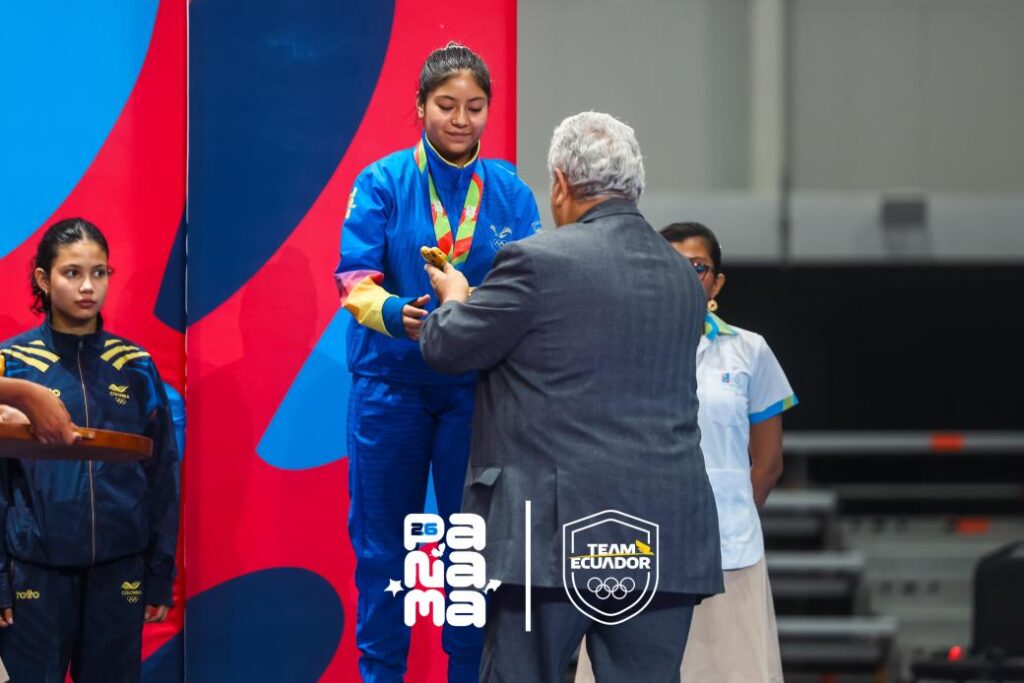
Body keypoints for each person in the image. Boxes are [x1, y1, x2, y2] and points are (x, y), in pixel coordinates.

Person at [420, 111, 723, 683]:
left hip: (550, 539)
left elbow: (447, 345)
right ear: (635, 185)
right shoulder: (683, 278)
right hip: (663, 533)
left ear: (560, 183)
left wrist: (455, 295)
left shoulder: (537, 261)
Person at [334, 42, 541, 682]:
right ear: (420, 106)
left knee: (469, 551)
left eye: (475, 107)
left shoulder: (511, 193)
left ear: (489, 111)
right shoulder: (381, 182)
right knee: (382, 550)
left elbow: (530, 289)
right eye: (447, 105)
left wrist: (476, 314)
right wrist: (398, 313)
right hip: (389, 388)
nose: (460, 119)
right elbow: (352, 280)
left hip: (474, 393)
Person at [576, 221, 797, 683]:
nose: (685, 275)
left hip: (729, 551)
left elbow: (769, 462)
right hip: (634, 549)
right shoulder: (615, 346)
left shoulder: (750, 350)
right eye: (672, 264)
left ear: (716, 282)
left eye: (698, 267)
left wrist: (730, 515)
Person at [0, 218, 180, 683]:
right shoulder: (12, 366)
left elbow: (162, 474)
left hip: (119, 571)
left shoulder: (135, 366)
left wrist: (159, 572)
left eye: (99, 273)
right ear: (43, 279)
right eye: (72, 273)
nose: (88, 287)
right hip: (35, 573)